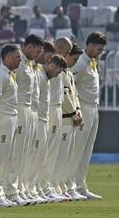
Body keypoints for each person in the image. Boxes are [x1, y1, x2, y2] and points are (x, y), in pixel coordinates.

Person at [27, 46, 66, 202]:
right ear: (51, 65)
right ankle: (30, 188)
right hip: (37, 120)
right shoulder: (41, 77)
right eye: (57, 71)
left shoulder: (47, 78)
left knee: (40, 155)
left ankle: (36, 188)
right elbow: (34, 101)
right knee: (34, 156)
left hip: (44, 119)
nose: (57, 75)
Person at [71, 32, 107, 200]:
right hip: (83, 108)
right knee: (77, 148)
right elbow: (70, 85)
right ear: (90, 46)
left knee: (87, 149)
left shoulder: (92, 63)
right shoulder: (80, 63)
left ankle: (81, 186)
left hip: (94, 108)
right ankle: (70, 186)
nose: (100, 52)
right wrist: (75, 109)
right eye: (99, 49)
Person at [11, 34, 44, 205]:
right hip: (20, 109)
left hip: (31, 110)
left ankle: (21, 187)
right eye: (37, 50)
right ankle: (11, 190)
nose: (38, 54)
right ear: (29, 46)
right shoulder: (19, 62)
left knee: (26, 152)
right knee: (17, 152)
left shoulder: (30, 65)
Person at [0, 43, 21, 208]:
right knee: (1, 157)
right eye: (17, 56)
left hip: (11, 118)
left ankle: (7, 192)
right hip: (2, 119)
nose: (20, 60)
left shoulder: (10, 75)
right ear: (7, 57)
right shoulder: (0, 75)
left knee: (9, 156)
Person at [59, 43, 83, 200]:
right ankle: (58, 187)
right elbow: (65, 97)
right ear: (66, 55)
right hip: (65, 119)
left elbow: (75, 95)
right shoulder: (60, 73)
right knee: (60, 156)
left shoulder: (68, 72)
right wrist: (74, 113)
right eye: (73, 59)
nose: (75, 62)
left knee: (68, 157)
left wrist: (79, 111)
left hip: (72, 118)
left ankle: (66, 186)